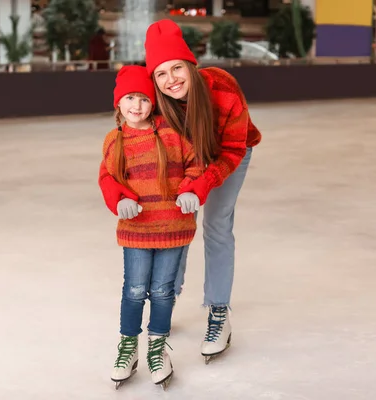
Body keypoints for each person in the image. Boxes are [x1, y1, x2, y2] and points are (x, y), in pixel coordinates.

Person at [98, 19, 262, 363]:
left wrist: (202, 184)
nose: (171, 79)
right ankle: (167, 296)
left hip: (231, 153)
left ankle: (218, 312)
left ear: (190, 65)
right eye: (160, 74)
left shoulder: (222, 87)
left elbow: (231, 149)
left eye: (177, 68)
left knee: (217, 225)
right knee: (177, 216)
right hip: (189, 159)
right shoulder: (160, 105)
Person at [99, 65, 203, 389]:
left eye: (143, 99)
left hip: (173, 227)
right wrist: (119, 199)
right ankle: (128, 347)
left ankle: (157, 347)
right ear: (119, 102)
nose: (136, 106)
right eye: (130, 98)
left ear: (153, 102)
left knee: (162, 291)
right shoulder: (115, 140)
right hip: (137, 230)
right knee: (133, 290)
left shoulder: (172, 133)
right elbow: (108, 177)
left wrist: (189, 188)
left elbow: (196, 165)